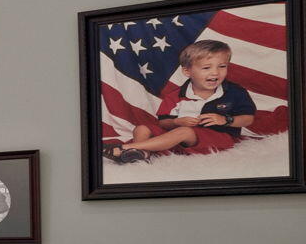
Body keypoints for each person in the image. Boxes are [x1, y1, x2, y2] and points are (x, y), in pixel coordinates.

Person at [106, 38, 258, 163]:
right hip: (178, 139)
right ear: (187, 71)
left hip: (220, 138)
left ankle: (126, 147)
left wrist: (225, 119)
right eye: (206, 68)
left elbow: (248, 119)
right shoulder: (176, 95)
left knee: (184, 132)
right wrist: (177, 122)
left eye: (222, 66)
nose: (215, 72)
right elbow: (163, 122)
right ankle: (141, 154)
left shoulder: (234, 92)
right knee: (142, 128)